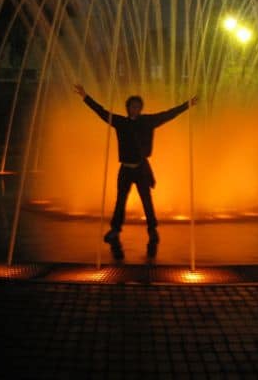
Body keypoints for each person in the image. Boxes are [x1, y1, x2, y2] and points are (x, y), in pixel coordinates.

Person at [73, 84, 197, 260]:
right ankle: (115, 230)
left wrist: (187, 105)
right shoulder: (120, 122)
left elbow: (168, 114)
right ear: (128, 108)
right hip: (125, 168)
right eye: (133, 106)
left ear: (140, 109)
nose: (136, 109)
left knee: (146, 200)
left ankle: (152, 230)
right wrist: (85, 97)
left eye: (138, 107)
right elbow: (101, 112)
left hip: (141, 168)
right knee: (120, 200)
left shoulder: (147, 121)